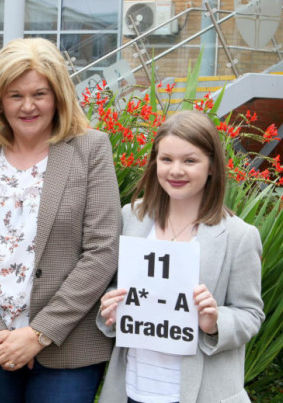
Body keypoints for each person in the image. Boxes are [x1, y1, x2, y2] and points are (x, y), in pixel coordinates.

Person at [0, 37, 121, 403]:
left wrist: (38, 333)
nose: (28, 106)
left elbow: (103, 250)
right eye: (15, 95)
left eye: (39, 93)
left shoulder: (90, 149)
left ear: (58, 95)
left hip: (66, 344)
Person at [97, 110, 265, 403]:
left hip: (200, 393)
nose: (176, 171)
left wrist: (215, 322)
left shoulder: (240, 236)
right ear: (154, 163)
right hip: (132, 389)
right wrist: (110, 308)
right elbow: (117, 287)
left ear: (212, 166)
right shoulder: (131, 217)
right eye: (166, 159)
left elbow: (250, 314)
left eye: (190, 160)